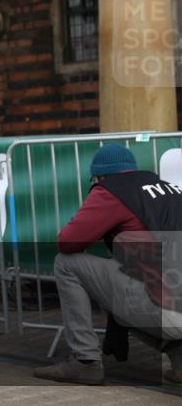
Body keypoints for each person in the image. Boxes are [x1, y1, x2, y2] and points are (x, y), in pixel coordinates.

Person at [33, 144, 182, 385]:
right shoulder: (169, 189)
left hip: (168, 312)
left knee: (67, 264)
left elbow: (68, 242)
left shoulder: (111, 191)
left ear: (101, 176)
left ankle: (85, 362)